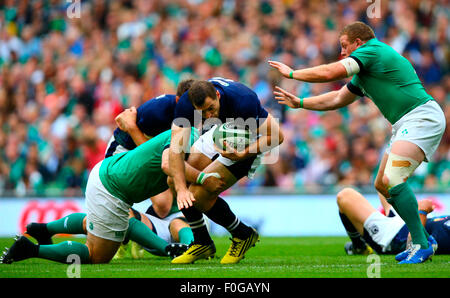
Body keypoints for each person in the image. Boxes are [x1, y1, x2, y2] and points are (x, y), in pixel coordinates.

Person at [269, 21, 446, 264]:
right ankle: (422, 238)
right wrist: (300, 103)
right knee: (382, 185)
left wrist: (292, 73)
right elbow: (338, 98)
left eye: (344, 46)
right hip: (407, 122)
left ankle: (421, 243)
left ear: (358, 43)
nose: (342, 52)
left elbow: (332, 72)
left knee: (393, 180)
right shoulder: (365, 72)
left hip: (421, 117)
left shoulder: (372, 50)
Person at [0, 127, 222, 264]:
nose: (206, 164)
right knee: (96, 255)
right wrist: (201, 178)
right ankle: (30, 249)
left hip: (108, 177)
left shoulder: (183, 136)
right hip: (112, 189)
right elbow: (167, 171)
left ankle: (44, 229)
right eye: (210, 158)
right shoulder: (186, 136)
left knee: (101, 224)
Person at [168, 77, 284, 264]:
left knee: (197, 194)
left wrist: (243, 154)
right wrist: (181, 189)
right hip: (219, 133)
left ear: (218, 95)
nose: (207, 116)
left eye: (211, 109)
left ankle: (243, 235)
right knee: (175, 179)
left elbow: (277, 136)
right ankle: (202, 242)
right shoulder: (186, 104)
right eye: (202, 113)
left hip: (245, 143)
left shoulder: (243, 101)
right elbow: (175, 150)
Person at [106, 79, 195, 219]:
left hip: (144, 150)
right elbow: (148, 150)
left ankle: (145, 229)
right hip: (122, 149)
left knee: (163, 205)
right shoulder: (158, 114)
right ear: (178, 100)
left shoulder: (192, 113)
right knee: (117, 202)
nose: (193, 111)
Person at [337, 187, 449, 260]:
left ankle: (359, 247)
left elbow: (418, 243)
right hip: (407, 220)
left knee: (345, 196)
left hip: (394, 236)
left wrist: (421, 214)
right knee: (385, 181)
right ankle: (359, 246)